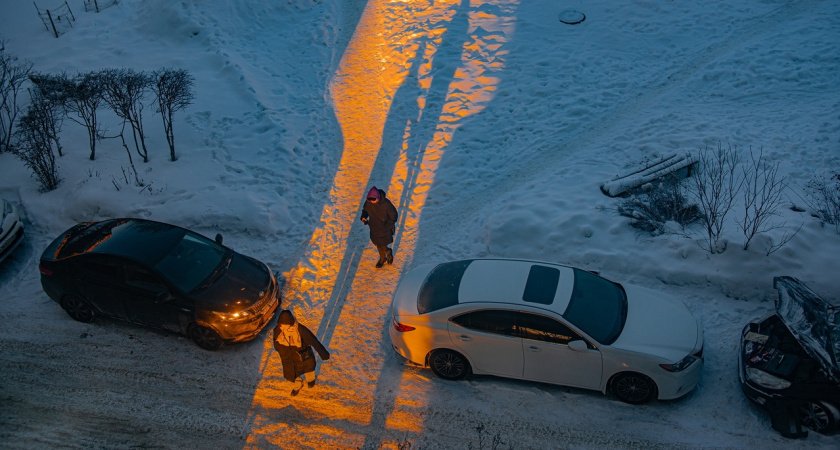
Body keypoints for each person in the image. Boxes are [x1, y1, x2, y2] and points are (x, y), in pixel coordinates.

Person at [272, 310, 330, 396]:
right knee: (293, 373)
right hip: (288, 357)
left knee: (308, 369)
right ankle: (297, 386)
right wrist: (279, 349)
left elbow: (313, 341)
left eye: (285, 326)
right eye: (281, 326)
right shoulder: (278, 330)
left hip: (303, 355)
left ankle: (310, 380)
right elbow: (275, 340)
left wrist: (323, 354)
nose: (283, 328)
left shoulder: (300, 330)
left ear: (291, 323)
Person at [360, 186, 398, 268]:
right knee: (378, 245)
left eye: (373, 199)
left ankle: (388, 253)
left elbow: (394, 216)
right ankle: (382, 259)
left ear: (378, 197)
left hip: (385, 230)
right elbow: (365, 210)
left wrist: (387, 226)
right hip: (374, 228)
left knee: (383, 246)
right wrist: (364, 217)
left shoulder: (386, 204)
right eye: (370, 199)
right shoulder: (368, 202)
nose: (371, 201)